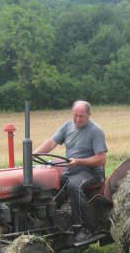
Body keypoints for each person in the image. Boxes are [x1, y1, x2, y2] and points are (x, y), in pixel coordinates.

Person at [35, 100, 108, 243]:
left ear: (89, 115)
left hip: (91, 172)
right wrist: (34, 154)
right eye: (75, 115)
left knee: (74, 185)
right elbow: (52, 142)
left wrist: (80, 161)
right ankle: (55, 224)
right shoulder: (68, 126)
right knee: (50, 183)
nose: (77, 119)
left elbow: (101, 159)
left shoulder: (96, 131)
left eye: (81, 116)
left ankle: (83, 228)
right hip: (72, 168)